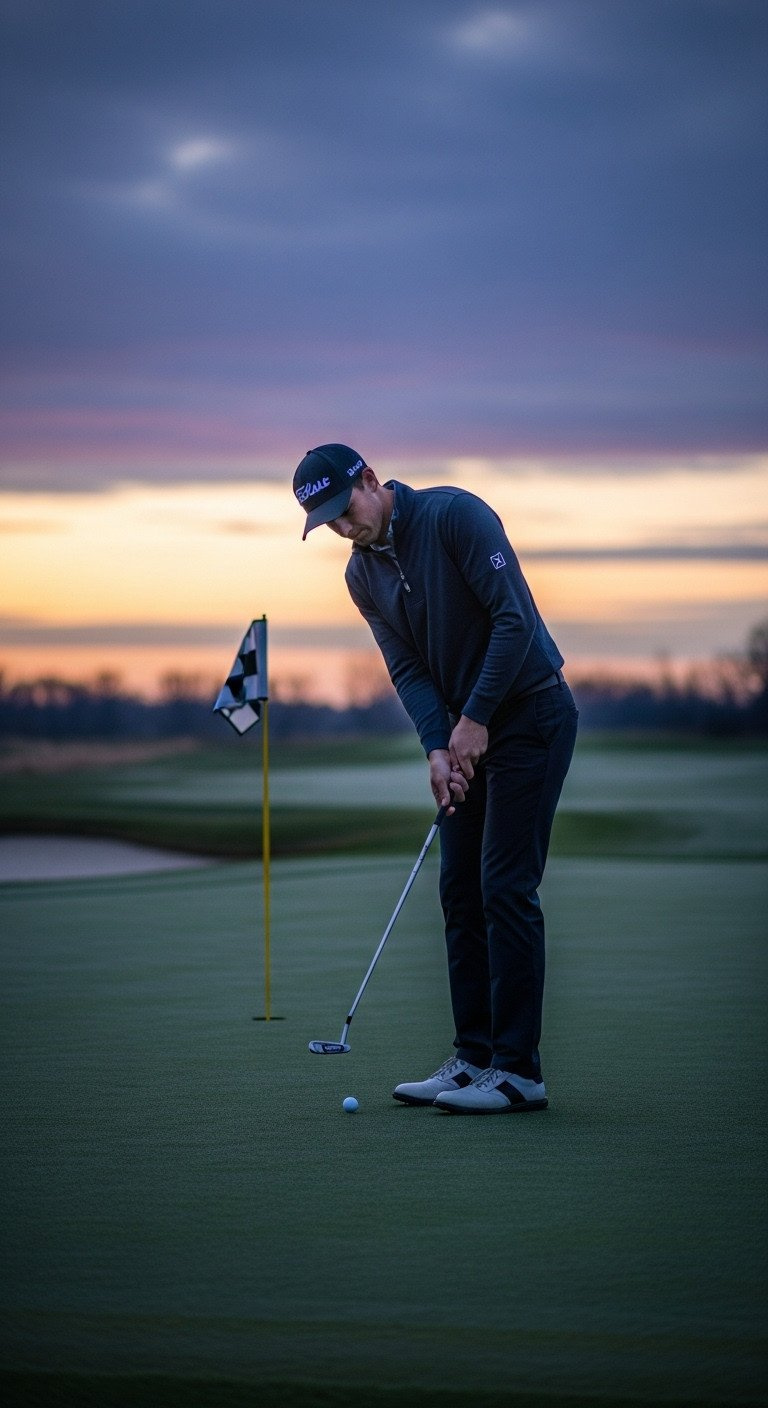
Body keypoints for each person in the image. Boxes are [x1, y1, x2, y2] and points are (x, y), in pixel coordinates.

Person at [293, 443, 578, 1115]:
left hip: (531, 713)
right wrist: (435, 747)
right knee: (458, 888)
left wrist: (475, 718)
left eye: (344, 509)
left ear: (370, 479)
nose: (342, 527)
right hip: (463, 732)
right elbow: (408, 669)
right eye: (327, 522)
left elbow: (514, 619)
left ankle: (518, 1074)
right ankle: (473, 1058)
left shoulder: (455, 517)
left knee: (505, 886)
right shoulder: (362, 575)